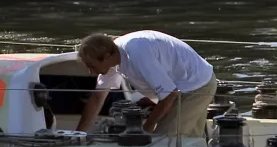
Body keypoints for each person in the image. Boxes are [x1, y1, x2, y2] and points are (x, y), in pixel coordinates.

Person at [75, 31, 218, 137]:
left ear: (106, 57)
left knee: (164, 141)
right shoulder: (113, 57)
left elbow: (169, 95)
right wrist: (77, 135)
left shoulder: (137, 54)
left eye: (91, 66)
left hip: (195, 85)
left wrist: (146, 129)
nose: (90, 71)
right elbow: (97, 98)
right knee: (191, 140)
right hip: (185, 85)